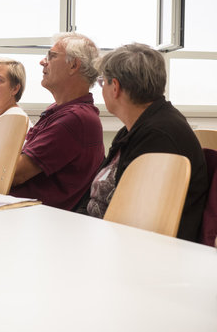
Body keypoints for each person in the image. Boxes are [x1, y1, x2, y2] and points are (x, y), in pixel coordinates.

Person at [84, 43, 207, 242]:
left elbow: (137, 219)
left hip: (139, 250)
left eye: (102, 82)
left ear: (115, 87)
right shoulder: (134, 128)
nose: (102, 88)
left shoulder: (160, 136)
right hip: (108, 236)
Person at [10, 33, 105, 210]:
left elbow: (12, 174)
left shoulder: (75, 119)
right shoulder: (63, 112)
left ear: (74, 65)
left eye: (51, 56)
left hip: (33, 220)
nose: (42, 62)